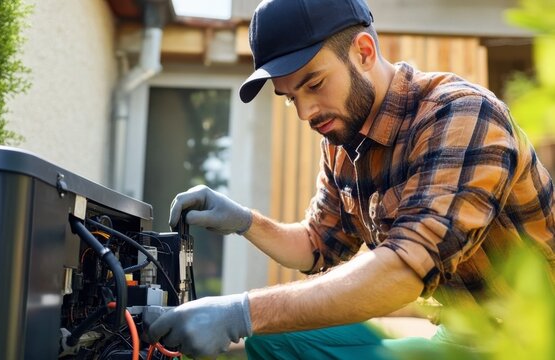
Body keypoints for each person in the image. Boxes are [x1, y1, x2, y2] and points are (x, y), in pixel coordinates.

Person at [145, 0, 555, 358]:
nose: (306, 112)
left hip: (531, 342)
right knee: (273, 342)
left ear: (363, 51)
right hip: (461, 335)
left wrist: (242, 312)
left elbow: (403, 273)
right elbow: (316, 246)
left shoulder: (461, 115)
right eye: (291, 97)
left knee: (260, 324)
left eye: (315, 84)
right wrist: (245, 222)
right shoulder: (343, 140)